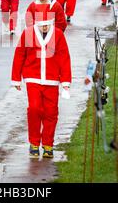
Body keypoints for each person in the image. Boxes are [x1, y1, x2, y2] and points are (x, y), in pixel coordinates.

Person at [11, 12, 72, 158]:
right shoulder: (28, 34)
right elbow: (19, 55)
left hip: (52, 79)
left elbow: (64, 58)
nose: (44, 27)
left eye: (47, 24)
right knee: (34, 109)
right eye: (41, 24)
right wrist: (16, 79)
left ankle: (48, 145)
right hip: (33, 78)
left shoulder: (58, 35)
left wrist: (65, 82)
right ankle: (34, 143)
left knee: (51, 112)